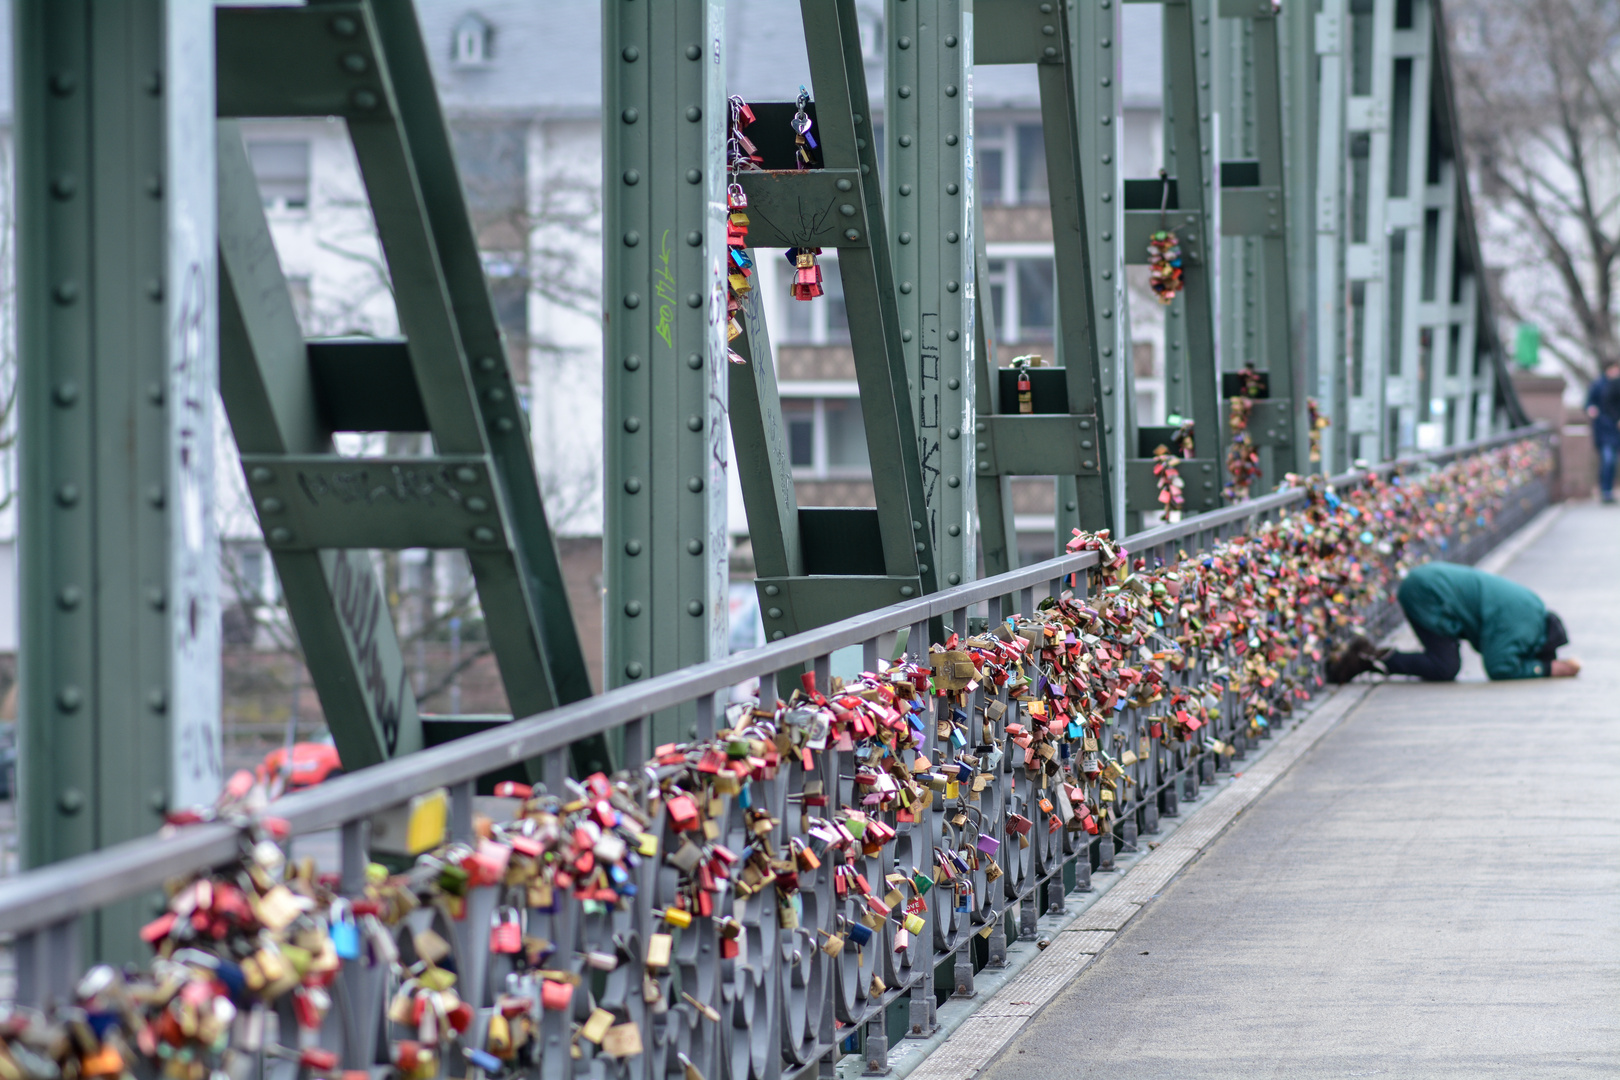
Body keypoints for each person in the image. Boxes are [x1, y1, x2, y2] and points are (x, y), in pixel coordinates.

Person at [1327, 562, 1579, 683]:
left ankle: (1366, 654)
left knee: (1444, 663)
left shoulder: (1532, 610)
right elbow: (1499, 667)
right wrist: (1544, 670)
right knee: (1444, 666)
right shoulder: (1525, 629)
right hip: (1429, 594)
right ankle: (1365, 658)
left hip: (1430, 586)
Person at [1586, 359, 1620, 503]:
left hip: (1615, 428)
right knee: (1607, 459)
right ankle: (1605, 490)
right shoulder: (1599, 385)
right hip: (1604, 427)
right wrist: (1591, 409)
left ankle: (1608, 489)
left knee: (1612, 460)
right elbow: (1589, 402)